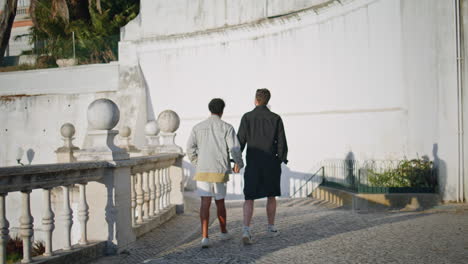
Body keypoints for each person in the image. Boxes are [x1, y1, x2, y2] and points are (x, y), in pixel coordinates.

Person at [186, 98, 244, 248]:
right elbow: (235, 149)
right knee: (220, 201)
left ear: (209, 109)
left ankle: (205, 237)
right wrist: (239, 163)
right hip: (219, 169)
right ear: (222, 110)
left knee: (205, 202)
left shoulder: (197, 127)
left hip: (203, 170)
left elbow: (189, 148)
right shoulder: (227, 127)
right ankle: (223, 232)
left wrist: (197, 163)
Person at [237, 88, 288, 245]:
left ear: (256, 100)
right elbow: (282, 144)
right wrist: (280, 160)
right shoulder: (276, 118)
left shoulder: (247, 117)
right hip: (270, 164)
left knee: (249, 197)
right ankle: (271, 227)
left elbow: (239, 142)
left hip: (253, 163)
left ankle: (246, 229)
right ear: (267, 100)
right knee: (271, 195)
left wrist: (237, 162)